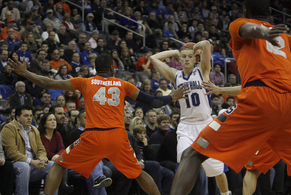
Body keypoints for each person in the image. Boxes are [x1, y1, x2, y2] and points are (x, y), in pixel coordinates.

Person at [170, 0, 291, 195]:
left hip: (263, 98)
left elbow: (248, 29)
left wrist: (261, 33)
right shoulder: (283, 36)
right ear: (269, 12)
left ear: (245, 12)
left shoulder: (238, 24)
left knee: (192, 155)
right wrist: (266, 33)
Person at [8, 54, 189, 195]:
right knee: (138, 173)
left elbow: (48, 82)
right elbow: (153, 102)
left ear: (95, 68)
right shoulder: (123, 84)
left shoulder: (85, 82)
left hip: (93, 136)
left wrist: (25, 73)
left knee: (59, 165)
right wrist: (172, 96)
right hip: (118, 136)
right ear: (112, 67)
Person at [204, 72, 291, 195]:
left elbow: (248, 89)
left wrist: (220, 89)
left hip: (274, 129)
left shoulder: (276, 77)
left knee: (253, 171)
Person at [151, 41, 230, 195]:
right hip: (186, 126)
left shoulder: (202, 70)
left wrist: (194, 48)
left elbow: (206, 44)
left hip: (206, 125)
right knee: (184, 164)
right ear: (180, 59)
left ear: (196, 58)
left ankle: (226, 193)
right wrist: (174, 51)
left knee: (217, 170)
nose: (186, 59)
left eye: (190, 57)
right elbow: (154, 59)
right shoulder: (176, 75)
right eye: (183, 57)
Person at [1, 105, 58, 195]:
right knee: (24, 166)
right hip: (16, 162)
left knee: (53, 165)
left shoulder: (34, 129)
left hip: (34, 164)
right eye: (26, 116)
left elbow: (41, 149)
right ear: (17, 117)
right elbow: (11, 153)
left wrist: (42, 159)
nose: (29, 118)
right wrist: (31, 162)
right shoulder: (8, 128)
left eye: (31, 116)